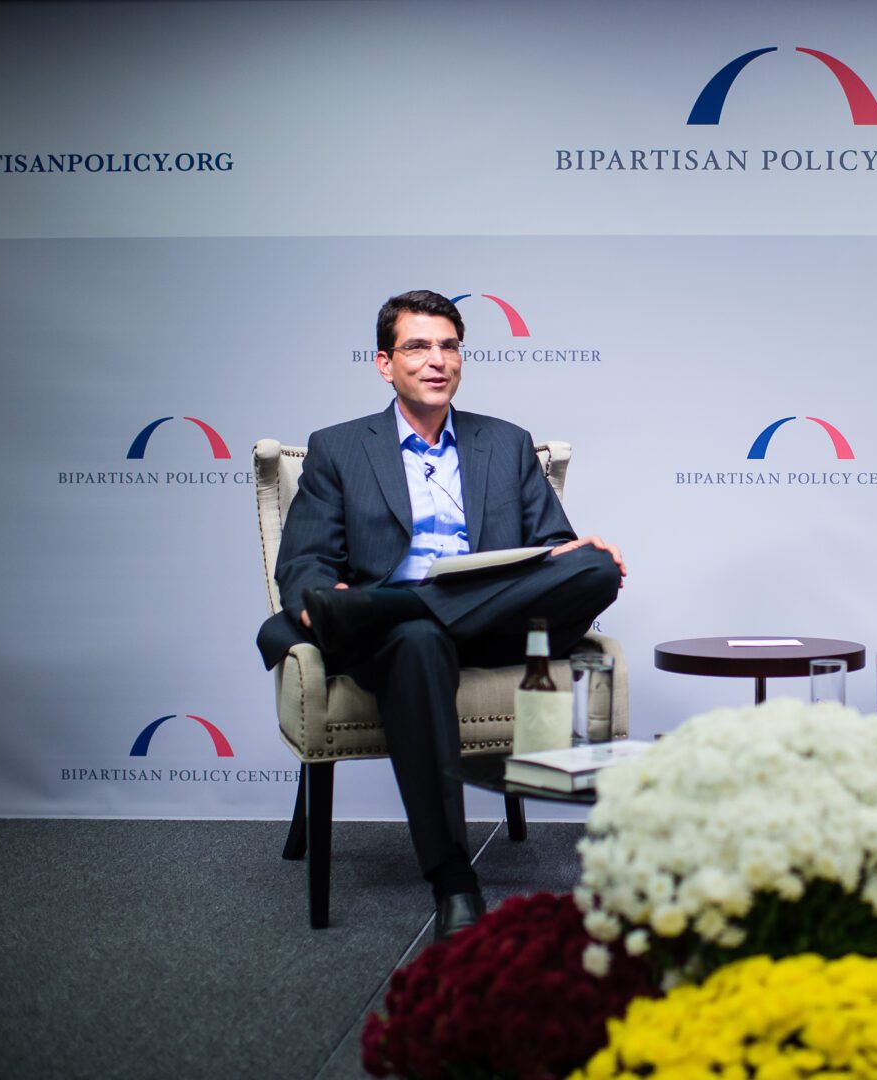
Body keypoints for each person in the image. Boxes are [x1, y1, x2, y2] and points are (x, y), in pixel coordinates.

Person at [256, 290, 624, 939]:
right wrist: (324, 601)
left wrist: (571, 552)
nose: (437, 360)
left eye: (449, 346)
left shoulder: (505, 442)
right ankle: (453, 878)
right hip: (401, 643)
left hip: (496, 630)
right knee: (419, 636)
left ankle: (389, 606)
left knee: (596, 566)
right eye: (418, 346)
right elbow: (305, 563)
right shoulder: (339, 448)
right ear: (384, 363)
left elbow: (550, 548)